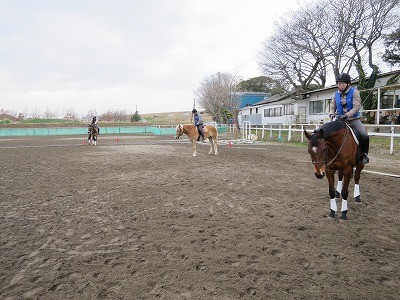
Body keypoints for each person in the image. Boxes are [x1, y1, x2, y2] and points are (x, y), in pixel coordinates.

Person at [329, 73, 369, 164]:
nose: (340, 85)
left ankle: (364, 155)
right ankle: (329, 153)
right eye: (339, 83)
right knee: (328, 133)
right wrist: (331, 114)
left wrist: (347, 115)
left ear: (348, 84)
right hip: (339, 120)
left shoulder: (355, 92)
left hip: (353, 119)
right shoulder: (335, 94)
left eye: (343, 83)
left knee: (364, 135)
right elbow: (332, 106)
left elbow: (356, 107)